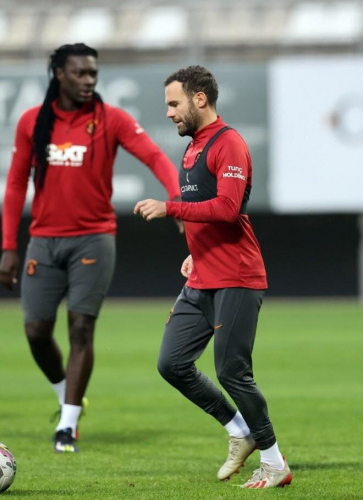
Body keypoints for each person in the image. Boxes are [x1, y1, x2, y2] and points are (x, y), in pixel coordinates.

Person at [0, 43, 181, 453]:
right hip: (43, 241)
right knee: (35, 332)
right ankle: (67, 393)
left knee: (80, 328)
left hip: (94, 238)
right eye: (79, 73)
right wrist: (9, 246)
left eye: (93, 74)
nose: (88, 80)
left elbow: (155, 157)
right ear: (58, 74)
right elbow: (15, 183)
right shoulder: (32, 121)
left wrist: (176, 199)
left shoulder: (112, 119)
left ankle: (67, 425)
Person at [133, 66, 292, 489]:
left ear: (199, 98)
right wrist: (195, 250)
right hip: (202, 276)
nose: (169, 113)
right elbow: (207, 216)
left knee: (232, 371)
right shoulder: (192, 149)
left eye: (174, 103)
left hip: (237, 276)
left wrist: (170, 207)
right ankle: (239, 429)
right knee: (172, 364)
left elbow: (227, 208)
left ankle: (274, 462)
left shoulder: (229, 143)